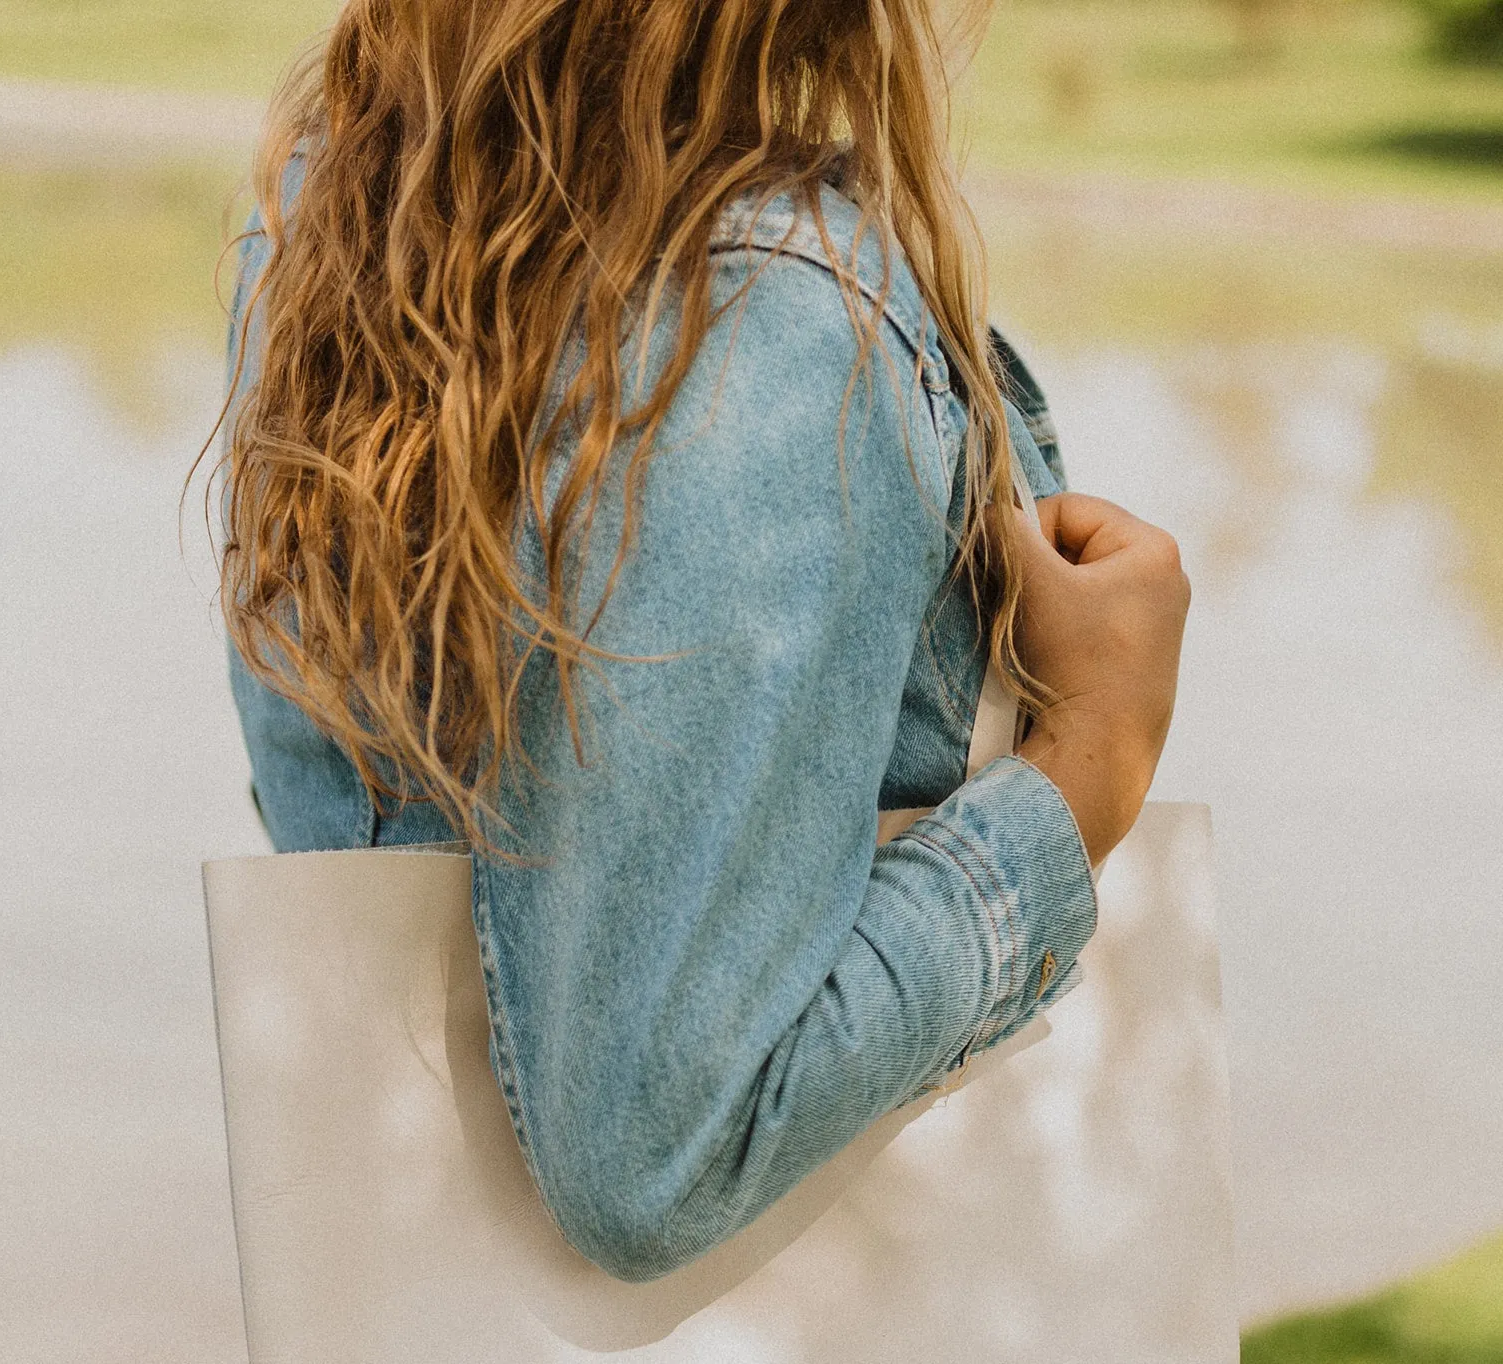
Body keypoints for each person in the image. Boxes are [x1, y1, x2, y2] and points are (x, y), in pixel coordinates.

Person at [215, 0, 1190, 1285]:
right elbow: (646, 1156)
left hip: (429, 1344)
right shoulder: (765, 315)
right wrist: (1084, 773)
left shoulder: (341, 195)